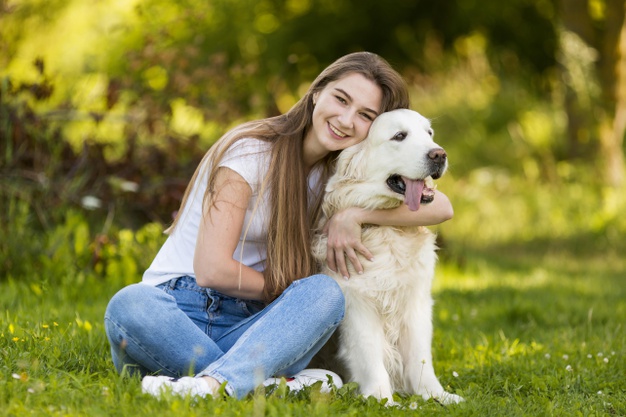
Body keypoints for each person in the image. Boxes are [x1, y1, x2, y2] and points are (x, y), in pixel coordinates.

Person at [104, 51, 454, 400]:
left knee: (325, 294)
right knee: (129, 303)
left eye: (365, 115)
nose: (347, 120)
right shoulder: (250, 153)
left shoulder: (341, 171)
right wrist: (287, 296)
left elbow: (441, 206)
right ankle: (252, 381)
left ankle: (210, 386)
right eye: (341, 99)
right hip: (178, 316)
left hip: (256, 324)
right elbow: (212, 271)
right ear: (317, 92)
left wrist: (354, 215)